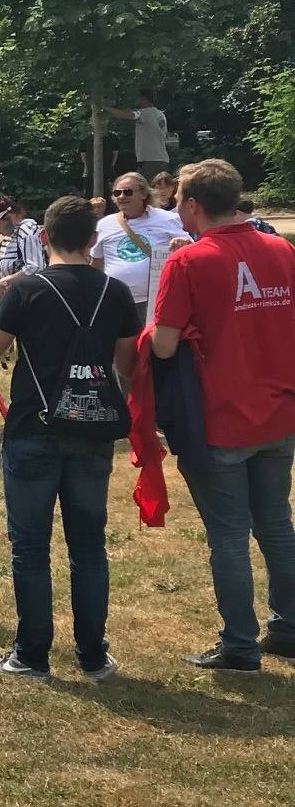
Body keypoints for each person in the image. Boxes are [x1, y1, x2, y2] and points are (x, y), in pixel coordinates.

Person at [0, 196, 136, 680]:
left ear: (42, 238)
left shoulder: (27, 290)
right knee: (88, 546)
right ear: (93, 239)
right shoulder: (114, 292)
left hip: (34, 427)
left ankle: (32, 653)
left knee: (31, 547)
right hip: (93, 429)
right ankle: (92, 654)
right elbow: (127, 364)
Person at [150, 159, 295, 672]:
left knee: (230, 534)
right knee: (277, 525)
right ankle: (289, 627)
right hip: (278, 415)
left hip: (220, 418)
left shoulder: (189, 262)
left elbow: (163, 347)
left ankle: (239, 643)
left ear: (192, 205)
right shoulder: (282, 250)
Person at [93, 173, 192, 324]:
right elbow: (96, 265)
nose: (121, 197)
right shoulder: (104, 224)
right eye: (117, 193)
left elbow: (191, 250)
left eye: (128, 192)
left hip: (157, 301)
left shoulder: (167, 219)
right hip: (116, 302)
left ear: (144, 193)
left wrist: (182, 244)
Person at [101, 89, 170, 177]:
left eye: (138, 98)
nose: (136, 100)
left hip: (151, 160)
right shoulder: (160, 114)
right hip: (161, 158)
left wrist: (105, 107)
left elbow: (127, 115)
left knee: (140, 187)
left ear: (144, 99)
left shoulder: (144, 113)